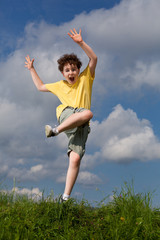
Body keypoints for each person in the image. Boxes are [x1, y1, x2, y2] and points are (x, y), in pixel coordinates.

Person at [25, 28, 97, 202]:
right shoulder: (60, 85)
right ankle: (55, 131)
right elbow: (40, 87)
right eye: (67, 70)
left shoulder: (86, 78)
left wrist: (81, 43)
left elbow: (93, 58)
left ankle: (64, 199)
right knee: (88, 113)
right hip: (66, 116)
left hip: (80, 124)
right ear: (62, 73)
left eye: (73, 69)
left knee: (75, 159)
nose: (71, 72)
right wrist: (32, 69)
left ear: (79, 70)